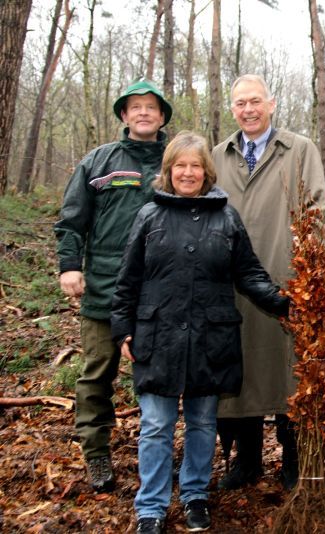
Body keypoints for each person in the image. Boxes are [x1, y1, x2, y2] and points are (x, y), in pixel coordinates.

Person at [110, 131, 290, 534]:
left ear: (206, 172)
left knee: (203, 423)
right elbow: (128, 280)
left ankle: (194, 496)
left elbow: (248, 272)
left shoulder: (225, 217)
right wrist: (122, 329)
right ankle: (151, 507)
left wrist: (285, 302)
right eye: (180, 166)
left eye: (195, 166)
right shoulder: (149, 216)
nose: (187, 173)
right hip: (158, 337)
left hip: (211, 338)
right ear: (169, 171)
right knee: (155, 425)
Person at [212, 74, 325, 491]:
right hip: (230, 291)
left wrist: (307, 276)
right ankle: (246, 461)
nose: (248, 109)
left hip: (286, 283)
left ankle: (294, 459)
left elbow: (318, 211)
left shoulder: (299, 149)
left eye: (255, 101)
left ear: (272, 103)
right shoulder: (217, 156)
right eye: (240, 102)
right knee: (239, 373)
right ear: (232, 109)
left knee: (289, 373)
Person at [54, 79, 171, 493]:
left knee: (161, 375)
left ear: (161, 116)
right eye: (135, 107)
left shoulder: (178, 162)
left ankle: (157, 454)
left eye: (151, 107)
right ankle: (96, 451)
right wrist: (70, 266)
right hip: (104, 286)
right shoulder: (99, 161)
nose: (143, 113)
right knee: (98, 372)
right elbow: (71, 220)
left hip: (160, 293)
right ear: (124, 115)